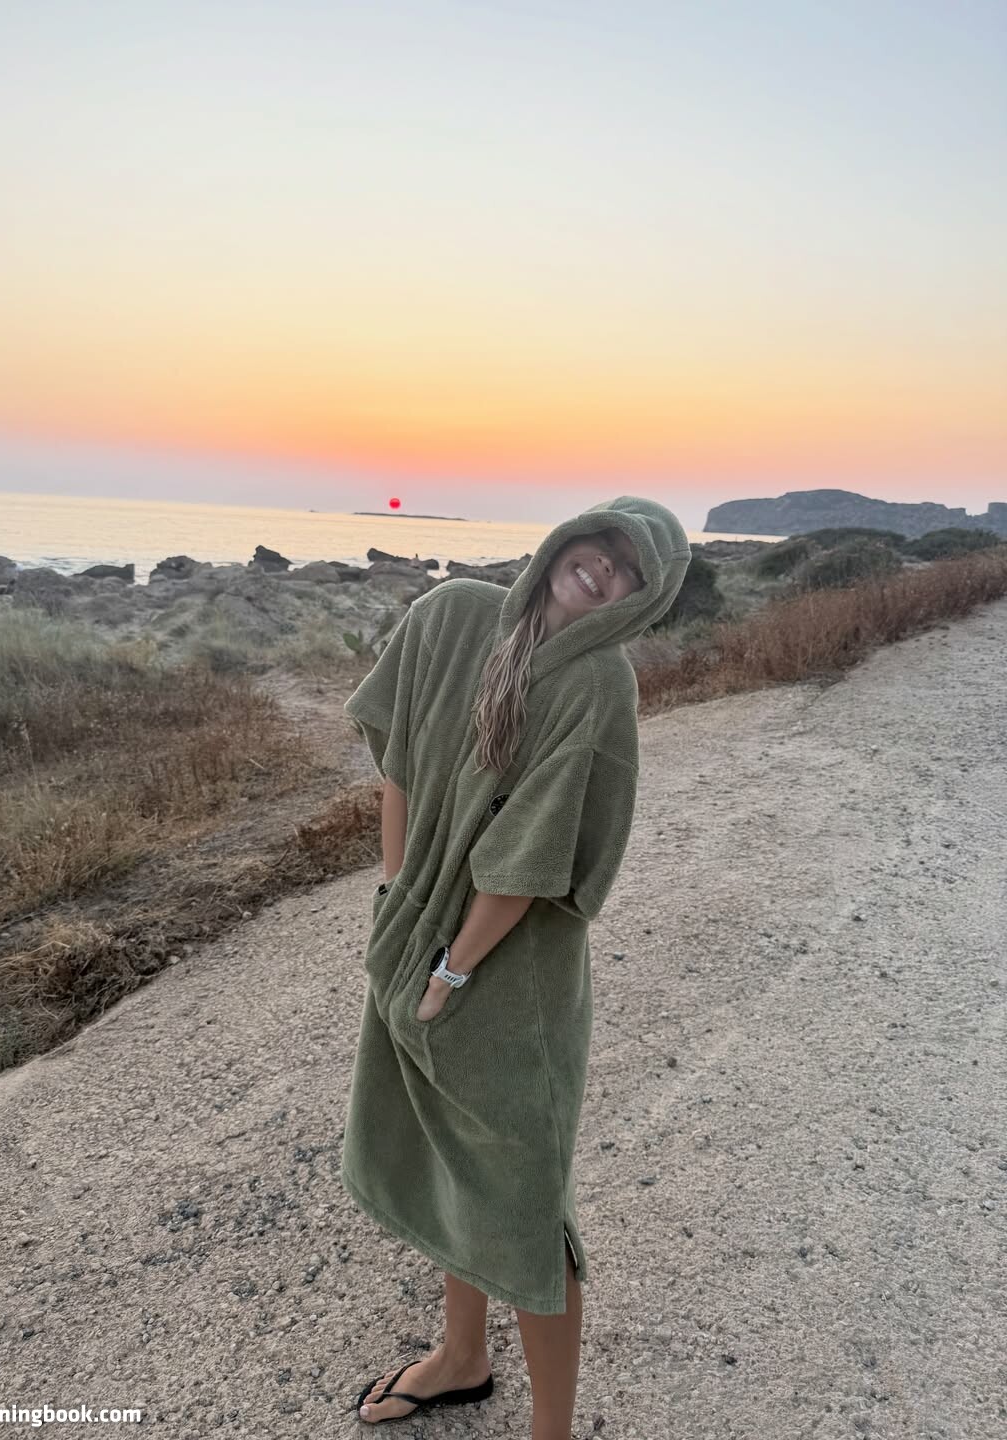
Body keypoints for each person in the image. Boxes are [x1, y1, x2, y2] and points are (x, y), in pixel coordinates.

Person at [341, 497, 691, 1435]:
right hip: (418, 934)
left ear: (640, 602)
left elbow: (533, 862)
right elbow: (401, 758)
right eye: (603, 545)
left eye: (631, 572)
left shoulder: (597, 685)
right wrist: (396, 898)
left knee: (527, 1202)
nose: (606, 569)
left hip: (512, 973)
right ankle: (462, 1357)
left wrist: (450, 971)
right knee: (448, 1159)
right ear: (569, 537)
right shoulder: (451, 615)